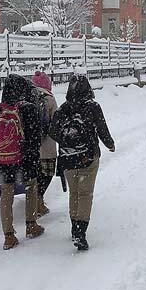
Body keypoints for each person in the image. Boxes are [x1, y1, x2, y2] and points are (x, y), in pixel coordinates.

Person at [49, 74, 115, 251]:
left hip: (67, 158)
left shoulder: (63, 108)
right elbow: (102, 128)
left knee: (74, 193)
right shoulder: (93, 106)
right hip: (88, 157)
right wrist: (110, 144)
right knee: (85, 194)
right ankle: (80, 232)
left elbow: (52, 131)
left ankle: (74, 227)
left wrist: (67, 140)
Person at [0, 74, 45, 250]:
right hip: (25, 160)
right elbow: (35, 137)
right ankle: (31, 225)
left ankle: (8, 236)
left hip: (2, 161)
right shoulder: (29, 108)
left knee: (6, 194)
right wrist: (26, 152)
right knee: (31, 188)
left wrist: (4, 147)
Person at [31, 71, 58, 218]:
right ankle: (39, 200)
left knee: (34, 175)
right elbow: (56, 121)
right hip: (47, 145)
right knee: (46, 174)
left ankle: (33, 201)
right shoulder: (49, 99)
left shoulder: (27, 97)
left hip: (31, 146)